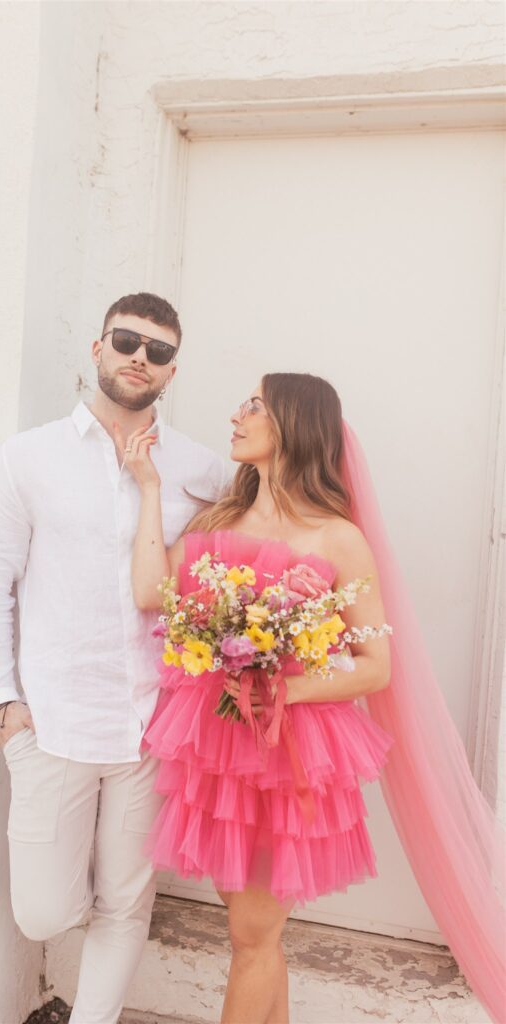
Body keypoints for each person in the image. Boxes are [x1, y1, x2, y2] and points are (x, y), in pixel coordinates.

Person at [0, 292, 228, 1024]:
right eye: (127, 341)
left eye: (159, 350)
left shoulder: (200, 470)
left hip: (150, 725)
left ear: (172, 370)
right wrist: (1, 706)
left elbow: (252, 543)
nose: (141, 357)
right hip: (50, 721)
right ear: (97, 349)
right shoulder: (29, 457)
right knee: (43, 912)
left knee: (125, 902)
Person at [125, 372, 395, 1024]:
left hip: (290, 755)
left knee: (251, 936)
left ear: (294, 425)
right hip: (219, 756)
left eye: (253, 406)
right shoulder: (217, 520)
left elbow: (375, 665)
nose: (235, 416)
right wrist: (150, 489)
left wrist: (283, 684)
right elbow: (149, 596)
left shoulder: (338, 538)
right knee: (254, 935)